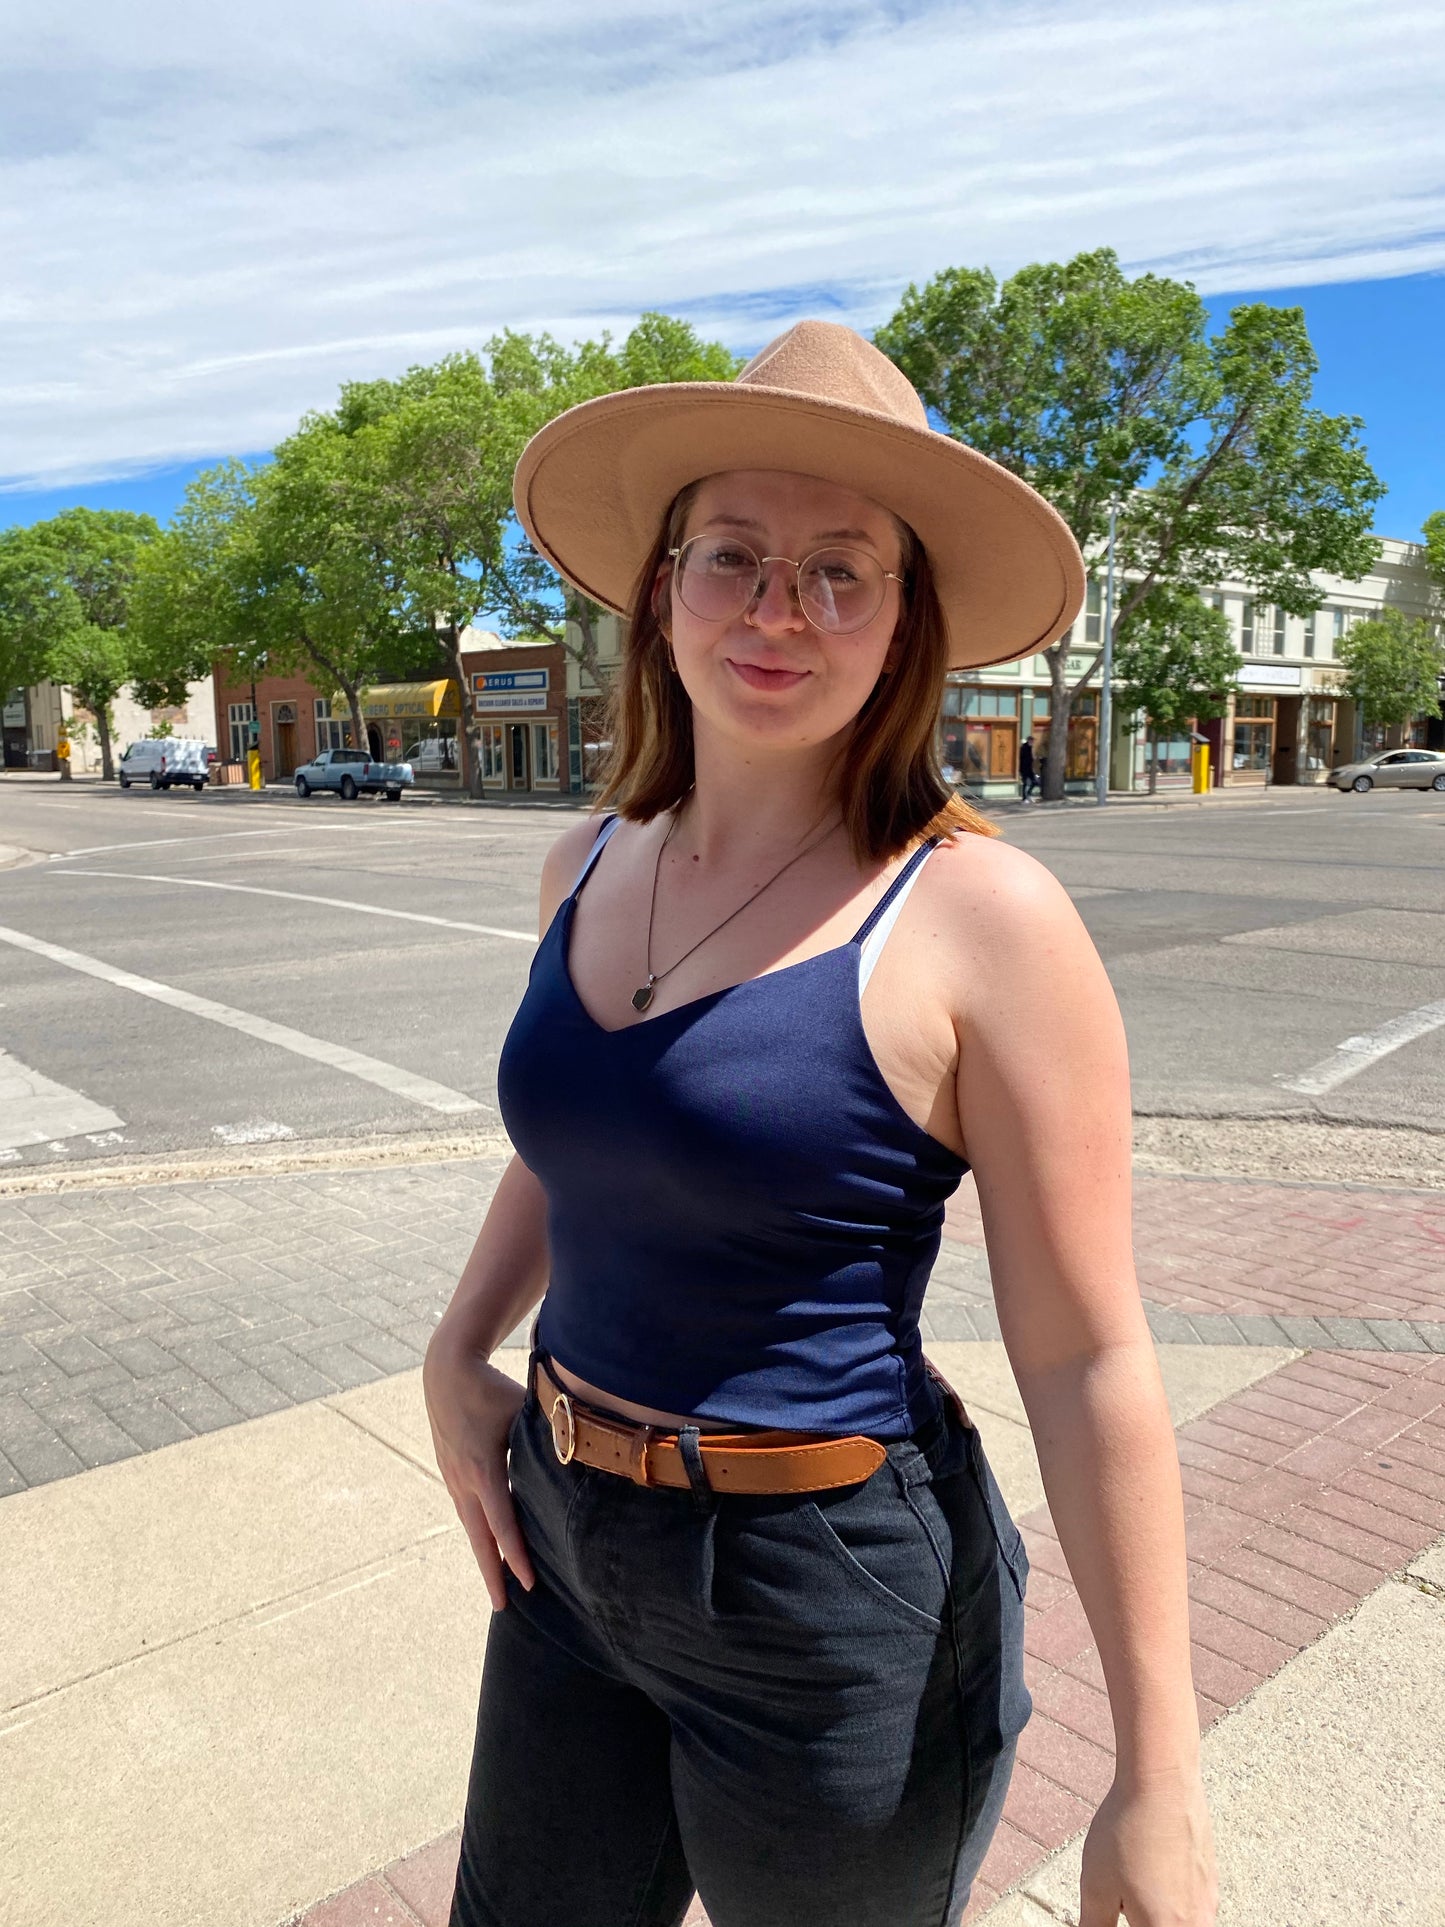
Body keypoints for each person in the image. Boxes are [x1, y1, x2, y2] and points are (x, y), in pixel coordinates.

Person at [424, 321, 1217, 1927]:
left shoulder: (983, 915)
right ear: (662, 586)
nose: (782, 608)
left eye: (844, 569)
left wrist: (1159, 1776)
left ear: (907, 619)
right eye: (736, 555)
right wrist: (456, 1346)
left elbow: (1085, 1353)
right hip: (567, 1546)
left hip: (826, 1592)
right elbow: (589, 1130)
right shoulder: (584, 860)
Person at [1019, 734, 1037, 802]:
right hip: (1024, 768)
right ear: (1029, 740)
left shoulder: (1030, 747)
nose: (1033, 742)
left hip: (1029, 768)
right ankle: (1024, 798)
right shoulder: (1024, 747)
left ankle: (1028, 794)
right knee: (1025, 783)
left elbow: (1031, 757)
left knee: (1035, 782)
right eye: (1032, 740)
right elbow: (1024, 758)